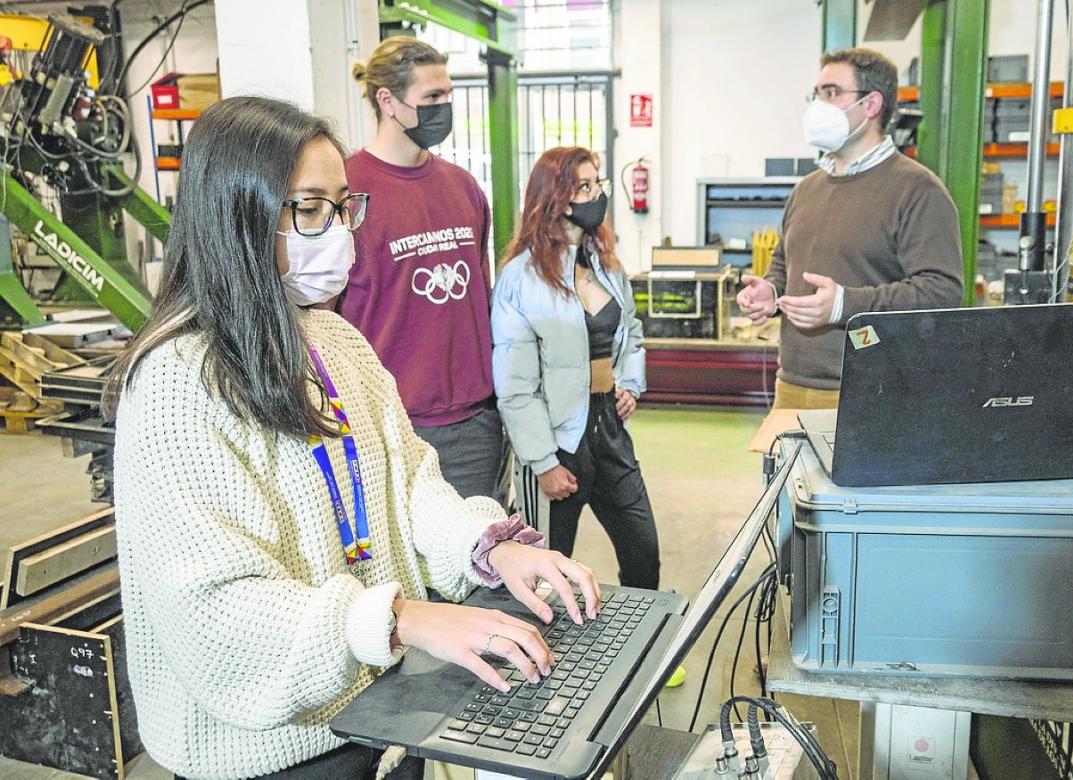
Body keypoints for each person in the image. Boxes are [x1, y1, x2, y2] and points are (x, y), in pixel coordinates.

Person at [105, 96, 600, 780]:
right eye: (308, 209)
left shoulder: (334, 340)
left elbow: (408, 487)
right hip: (268, 751)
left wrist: (488, 549)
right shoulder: (175, 384)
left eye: (343, 206)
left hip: (378, 707)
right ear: (235, 215)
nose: (338, 231)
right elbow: (214, 614)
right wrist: (403, 621)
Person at [737, 48, 964, 410]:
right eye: (816, 95)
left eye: (831, 93)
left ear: (871, 104)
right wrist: (771, 291)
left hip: (872, 392)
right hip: (792, 384)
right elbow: (785, 263)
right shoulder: (807, 188)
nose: (818, 106)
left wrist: (847, 304)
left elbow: (942, 291)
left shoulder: (918, 190)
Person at [341, 37, 504, 500]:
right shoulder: (347, 191)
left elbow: (480, 295)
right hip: (386, 429)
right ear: (387, 101)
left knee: (476, 566)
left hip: (472, 426)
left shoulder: (464, 187)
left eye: (447, 95)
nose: (444, 108)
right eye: (431, 98)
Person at [492, 146, 660, 590]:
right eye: (585, 186)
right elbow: (514, 387)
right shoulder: (521, 278)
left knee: (644, 556)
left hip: (608, 428)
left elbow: (632, 332)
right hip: (555, 439)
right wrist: (543, 461)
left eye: (598, 184)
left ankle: (642, 654)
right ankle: (547, 656)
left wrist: (630, 383)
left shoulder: (604, 265)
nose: (597, 195)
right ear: (555, 197)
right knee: (545, 572)